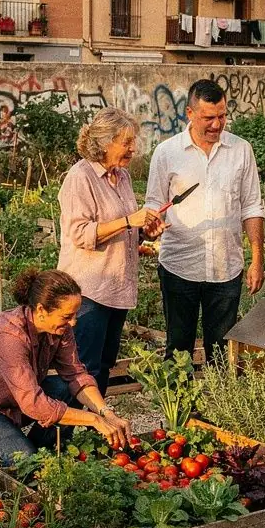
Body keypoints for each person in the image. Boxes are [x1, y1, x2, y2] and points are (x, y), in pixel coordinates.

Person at [0, 267, 131, 465]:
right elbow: (33, 404)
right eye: (66, 316)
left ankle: (42, 453)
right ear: (40, 310)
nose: (73, 323)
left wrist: (106, 413)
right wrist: (94, 420)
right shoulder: (9, 336)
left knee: (66, 390)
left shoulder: (59, 328)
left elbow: (76, 375)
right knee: (25, 461)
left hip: (10, 400)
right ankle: (27, 458)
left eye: (74, 315)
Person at [145, 79, 265, 360]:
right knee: (178, 348)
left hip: (226, 269)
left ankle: (218, 404)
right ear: (189, 113)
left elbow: (251, 207)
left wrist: (257, 259)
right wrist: (151, 226)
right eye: (208, 118)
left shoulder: (241, 150)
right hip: (179, 266)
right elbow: (153, 203)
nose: (216, 124)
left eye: (222, 116)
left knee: (222, 351)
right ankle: (178, 404)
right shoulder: (167, 152)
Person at [58, 109, 164, 395]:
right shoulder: (80, 178)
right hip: (89, 290)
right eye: (126, 142)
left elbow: (123, 225)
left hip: (117, 288)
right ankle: (65, 433)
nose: (133, 148)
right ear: (105, 142)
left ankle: (97, 431)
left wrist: (143, 231)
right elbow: (80, 233)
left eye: (133, 141)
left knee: (104, 364)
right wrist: (131, 221)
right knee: (84, 369)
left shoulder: (123, 177)